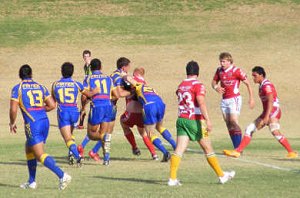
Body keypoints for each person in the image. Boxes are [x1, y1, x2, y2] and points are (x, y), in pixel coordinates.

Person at [168, 61, 235, 186]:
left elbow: (178, 94)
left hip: (181, 119)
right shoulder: (198, 85)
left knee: (179, 149)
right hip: (195, 120)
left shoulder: (181, 85)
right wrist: (208, 120)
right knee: (208, 148)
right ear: (197, 72)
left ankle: (172, 179)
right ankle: (222, 175)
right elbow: (201, 102)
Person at [9, 64, 71, 190]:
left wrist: (12, 122)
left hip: (33, 123)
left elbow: (13, 109)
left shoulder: (18, 88)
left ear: (20, 76)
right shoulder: (40, 86)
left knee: (39, 154)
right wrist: (39, 109)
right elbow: (52, 105)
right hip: (44, 121)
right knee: (29, 148)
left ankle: (62, 175)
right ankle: (31, 182)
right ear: (31, 74)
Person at [223, 66, 298, 158]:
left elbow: (271, 101)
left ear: (261, 75)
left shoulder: (267, 86)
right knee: (270, 131)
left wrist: (266, 117)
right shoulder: (262, 86)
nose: (253, 78)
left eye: (255, 76)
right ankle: (291, 152)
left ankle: (238, 151)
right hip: (269, 111)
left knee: (254, 129)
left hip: (272, 111)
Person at [124, 70, 177, 162]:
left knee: (150, 134)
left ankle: (165, 152)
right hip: (160, 103)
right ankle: (175, 146)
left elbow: (128, 79)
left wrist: (123, 76)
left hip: (149, 106)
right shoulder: (150, 87)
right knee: (160, 127)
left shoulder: (138, 86)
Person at [51, 62, 97, 166]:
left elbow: (53, 102)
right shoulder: (77, 84)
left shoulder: (55, 84)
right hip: (74, 112)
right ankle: (71, 154)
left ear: (61, 71)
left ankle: (78, 157)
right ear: (72, 72)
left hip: (63, 113)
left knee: (67, 139)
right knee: (71, 135)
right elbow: (89, 94)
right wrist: (96, 90)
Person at [211, 52, 255, 149]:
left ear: (229, 61)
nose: (221, 64)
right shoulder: (219, 71)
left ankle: (239, 148)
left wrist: (251, 98)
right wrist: (216, 87)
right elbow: (214, 81)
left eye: (224, 61)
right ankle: (236, 147)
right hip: (224, 100)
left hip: (234, 99)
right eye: (221, 61)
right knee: (228, 123)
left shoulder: (236, 71)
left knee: (234, 122)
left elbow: (248, 84)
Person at [83, 58, 119, 166]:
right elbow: (116, 95)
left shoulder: (89, 78)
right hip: (108, 106)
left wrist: (83, 107)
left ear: (91, 68)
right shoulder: (109, 78)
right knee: (104, 132)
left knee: (91, 134)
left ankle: (104, 139)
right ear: (101, 67)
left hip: (97, 106)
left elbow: (85, 95)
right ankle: (106, 159)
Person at [120, 67, 158, 160]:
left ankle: (134, 147)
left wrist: (123, 76)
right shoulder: (145, 84)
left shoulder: (134, 80)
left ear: (136, 73)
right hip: (142, 113)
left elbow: (126, 82)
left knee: (123, 122)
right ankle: (154, 154)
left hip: (132, 112)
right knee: (143, 133)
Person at [77, 50, 103, 162]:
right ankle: (93, 151)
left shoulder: (89, 66)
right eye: (85, 56)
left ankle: (82, 146)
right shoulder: (88, 66)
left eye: (88, 56)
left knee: (96, 130)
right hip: (98, 100)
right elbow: (89, 67)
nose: (87, 58)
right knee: (104, 131)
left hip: (91, 94)